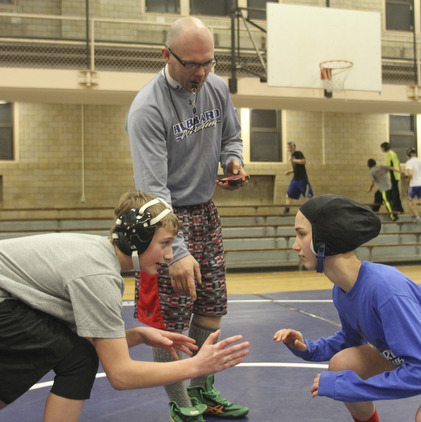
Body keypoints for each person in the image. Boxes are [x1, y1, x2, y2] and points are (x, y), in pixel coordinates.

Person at [0, 190, 250, 422]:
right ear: (137, 239)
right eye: (164, 243)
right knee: (77, 360)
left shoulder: (98, 258)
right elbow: (121, 375)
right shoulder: (99, 276)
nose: (169, 255)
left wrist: (138, 335)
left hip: (7, 302)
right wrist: (195, 366)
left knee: (71, 351)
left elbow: (82, 337)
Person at [273, 194, 421, 422]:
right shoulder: (342, 290)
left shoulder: (386, 288)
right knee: (342, 364)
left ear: (324, 238)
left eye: (301, 235)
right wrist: (310, 348)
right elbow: (350, 340)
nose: (295, 245)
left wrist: (350, 387)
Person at [126, 16, 250, 421]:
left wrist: (234, 160)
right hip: (162, 221)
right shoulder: (147, 108)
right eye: (192, 64)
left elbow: (232, 135)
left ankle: (202, 389)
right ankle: (181, 403)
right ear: (166, 55)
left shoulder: (216, 87)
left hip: (205, 212)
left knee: (211, 305)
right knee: (171, 321)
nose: (201, 73)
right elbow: (152, 190)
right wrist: (175, 251)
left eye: (208, 63)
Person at [283, 141, 313, 214]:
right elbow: (296, 168)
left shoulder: (298, 153)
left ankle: (313, 209)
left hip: (302, 179)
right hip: (295, 179)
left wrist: (293, 160)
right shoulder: (291, 156)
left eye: (290, 147)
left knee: (308, 195)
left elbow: (303, 161)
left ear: (293, 147)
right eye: (288, 147)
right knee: (289, 195)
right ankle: (286, 211)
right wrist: (289, 171)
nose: (289, 148)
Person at [380, 142, 404, 214]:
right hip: (396, 176)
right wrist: (399, 172)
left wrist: (399, 172)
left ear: (384, 148)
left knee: (392, 194)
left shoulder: (388, 154)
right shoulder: (393, 153)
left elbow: (389, 167)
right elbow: (398, 163)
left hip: (392, 176)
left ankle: (396, 209)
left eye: (381, 148)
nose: (381, 149)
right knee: (395, 192)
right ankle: (399, 209)